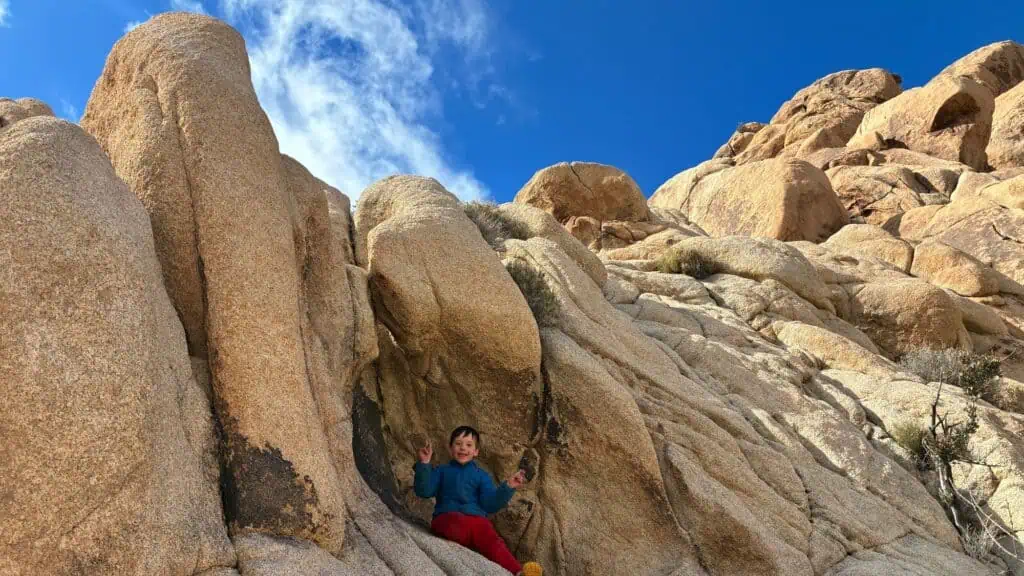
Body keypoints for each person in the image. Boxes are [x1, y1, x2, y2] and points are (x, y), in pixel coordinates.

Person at [414, 425, 543, 576]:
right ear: (450, 448)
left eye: (469, 445)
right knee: (457, 521)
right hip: (447, 518)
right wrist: (424, 464)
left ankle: (518, 572)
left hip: (475, 523)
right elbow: (424, 491)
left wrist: (509, 486)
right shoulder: (442, 471)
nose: (463, 448)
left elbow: (490, 504)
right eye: (458, 444)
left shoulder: (481, 476)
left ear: (476, 451)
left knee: (491, 538)